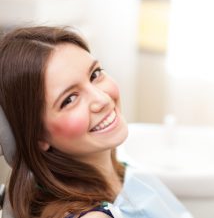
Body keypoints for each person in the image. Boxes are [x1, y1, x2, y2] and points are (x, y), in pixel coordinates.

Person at [0, 26, 193, 218]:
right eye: (69, 99)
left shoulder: (116, 171)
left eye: (95, 74)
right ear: (37, 136)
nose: (102, 99)